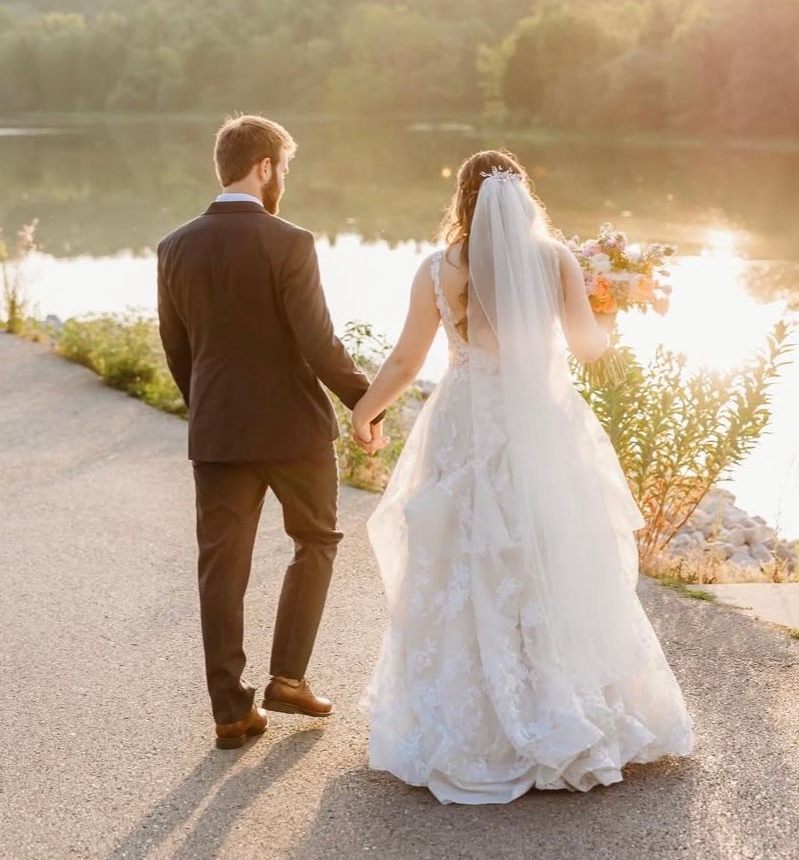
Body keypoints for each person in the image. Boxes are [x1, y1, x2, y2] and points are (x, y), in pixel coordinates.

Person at [351, 149, 694, 804]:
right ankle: (560, 700)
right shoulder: (555, 259)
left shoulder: (436, 270)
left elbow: (402, 360)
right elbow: (590, 350)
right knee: (550, 555)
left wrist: (366, 413)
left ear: (461, 200)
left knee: (460, 557)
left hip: (465, 423)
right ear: (520, 198)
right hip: (542, 423)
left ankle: (469, 716)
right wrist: (613, 312)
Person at [157, 114, 385, 750]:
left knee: (220, 571)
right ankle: (288, 678)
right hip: (293, 433)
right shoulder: (290, 241)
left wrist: (209, 408)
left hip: (218, 433)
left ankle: (231, 712)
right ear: (263, 167)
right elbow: (318, 343)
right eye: (282, 167)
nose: (283, 178)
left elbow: (178, 350)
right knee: (316, 539)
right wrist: (366, 403)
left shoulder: (174, 246)